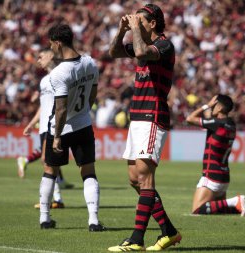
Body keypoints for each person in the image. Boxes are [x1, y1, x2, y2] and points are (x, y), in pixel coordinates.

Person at [108, 4, 181, 251]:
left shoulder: (164, 45)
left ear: (152, 24)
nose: (135, 23)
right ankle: (169, 232)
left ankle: (136, 239)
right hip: (137, 116)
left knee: (145, 177)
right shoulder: (142, 41)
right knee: (134, 179)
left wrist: (135, 30)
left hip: (153, 115)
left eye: (141, 20)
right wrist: (121, 31)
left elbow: (140, 52)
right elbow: (113, 51)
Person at [39, 23, 105, 231]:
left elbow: (60, 109)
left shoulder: (58, 74)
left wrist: (57, 136)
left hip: (62, 128)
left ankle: (45, 218)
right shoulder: (89, 63)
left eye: (51, 44)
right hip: (83, 124)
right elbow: (94, 93)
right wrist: (85, 110)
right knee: (88, 172)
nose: (51, 48)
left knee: (50, 170)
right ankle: (93, 221)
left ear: (58, 43)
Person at [186, 94, 245, 216]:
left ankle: (236, 200)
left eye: (213, 106)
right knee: (218, 209)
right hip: (224, 177)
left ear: (219, 107)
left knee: (197, 210)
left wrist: (206, 106)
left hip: (211, 175)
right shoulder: (231, 124)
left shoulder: (217, 123)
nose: (211, 108)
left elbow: (189, 119)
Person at [20, 49, 72, 209]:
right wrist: (31, 123)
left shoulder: (61, 76)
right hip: (43, 126)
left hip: (55, 126)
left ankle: (52, 200)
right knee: (48, 161)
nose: (38, 60)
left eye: (41, 56)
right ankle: (56, 199)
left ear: (50, 56)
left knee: (47, 160)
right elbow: (43, 106)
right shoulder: (43, 81)